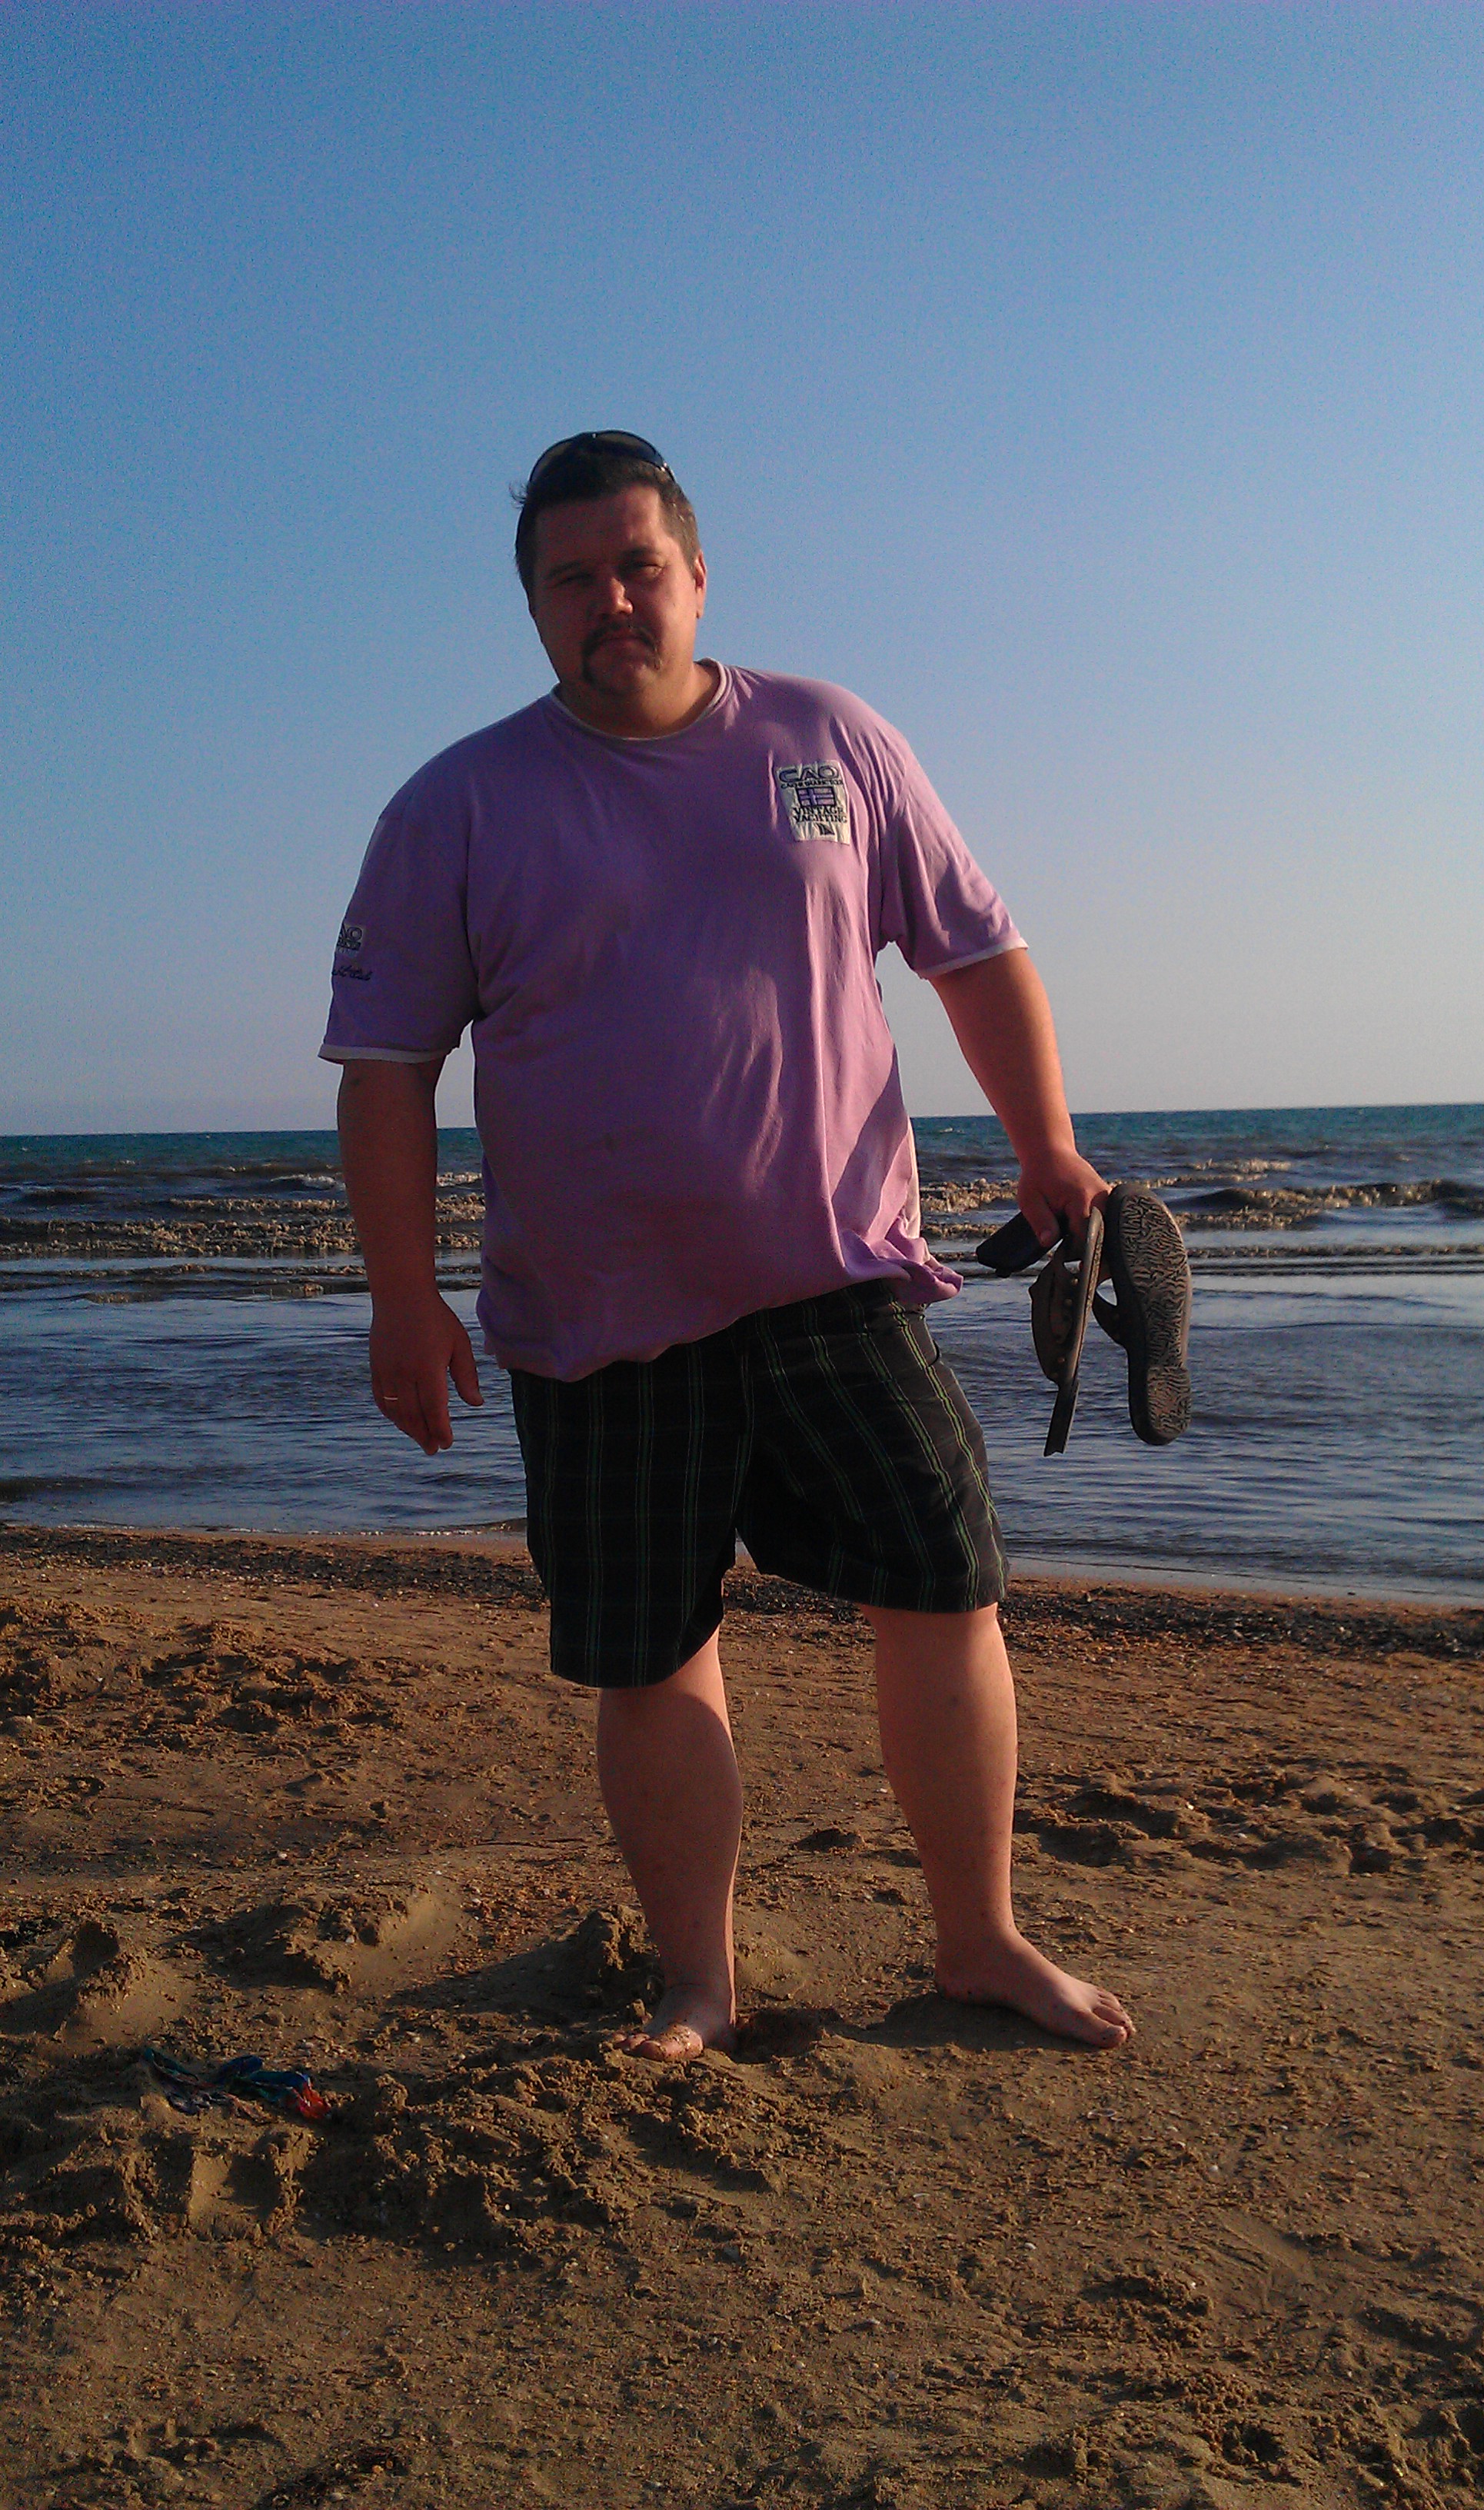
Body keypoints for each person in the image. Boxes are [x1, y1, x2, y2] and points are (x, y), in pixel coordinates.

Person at [321, 430, 1133, 2062]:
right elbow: (387, 1070)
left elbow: (974, 954)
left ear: (695, 576)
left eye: (638, 566)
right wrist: (403, 1300)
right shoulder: (455, 806)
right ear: (534, 609)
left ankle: (979, 1936)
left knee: (946, 1592)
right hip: (595, 1321)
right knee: (652, 1653)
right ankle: (699, 1978)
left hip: (837, 1279)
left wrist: (1045, 1146)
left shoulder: (829, 740)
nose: (611, 600)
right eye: (572, 579)